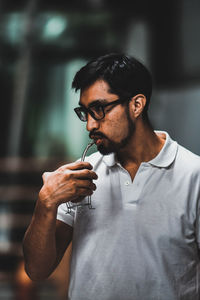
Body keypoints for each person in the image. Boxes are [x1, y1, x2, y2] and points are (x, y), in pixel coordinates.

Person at [23, 53, 200, 300]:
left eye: (99, 109)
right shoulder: (82, 176)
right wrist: (45, 203)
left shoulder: (193, 175)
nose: (90, 126)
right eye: (85, 112)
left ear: (136, 105)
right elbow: (37, 270)